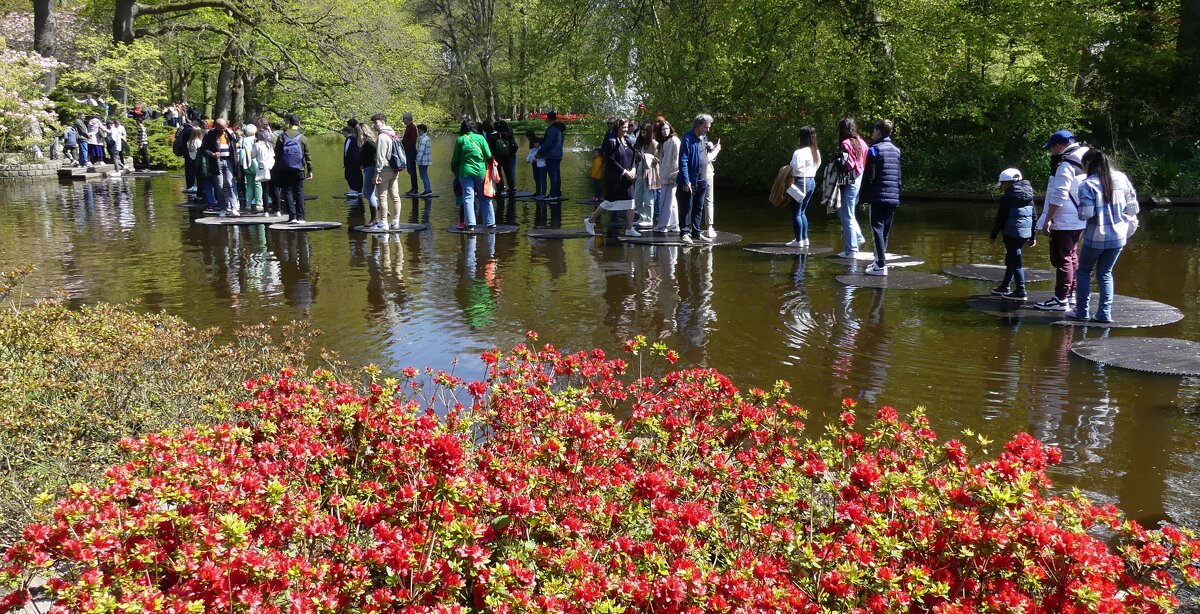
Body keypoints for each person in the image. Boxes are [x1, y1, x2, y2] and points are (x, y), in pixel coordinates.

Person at [1072, 149, 1139, 322]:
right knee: (1105, 274)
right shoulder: (1121, 178)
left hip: (1095, 237)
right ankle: (1104, 313)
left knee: (1084, 271)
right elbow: (1134, 209)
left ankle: (1081, 312)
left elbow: (1085, 214)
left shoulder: (1087, 185)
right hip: (1118, 236)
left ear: (1087, 165)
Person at [1033, 130, 1090, 311]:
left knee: (1063, 259)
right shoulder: (1086, 159)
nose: (1050, 152)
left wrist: (1048, 219)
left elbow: (1059, 195)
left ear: (1058, 146)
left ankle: (1060, 299)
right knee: (1073, 257)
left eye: (1051, 148)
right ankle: (1071, 295)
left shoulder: (1066, 164)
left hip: (1065, 220)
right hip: (1081, 218)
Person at [583, 118, 639, 236]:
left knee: (631, 202)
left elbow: (633, 156)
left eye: (626, 127)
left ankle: (629, 228)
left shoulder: (628, 139)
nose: (625, 130)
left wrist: (633, 169)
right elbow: (611, 160)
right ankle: (590, 220)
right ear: (617, 127)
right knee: (609, 202)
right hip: (615, 177)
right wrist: (624, 171)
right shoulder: (611, 141)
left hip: (629, 177)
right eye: (622, 127)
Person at [861, 119, 901, 276]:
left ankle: (879, 264)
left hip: (878, 196)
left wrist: (863, 195)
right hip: (893, 196)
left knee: (876, 228)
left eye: (873, 131)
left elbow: (869, 176)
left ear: (878, 132)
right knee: (885, 230)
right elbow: (898, 177)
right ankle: (880, 260)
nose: (872, 133)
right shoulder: (897, 151)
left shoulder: (874, 149)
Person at [989, 168, 1037, 300]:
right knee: (1011, 258)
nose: (1002, 187)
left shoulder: (1008, 197)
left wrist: (993, 235)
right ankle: (1005, 286)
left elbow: (1001, 218)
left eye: (1003, 184)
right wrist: (1033, 236)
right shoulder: (1029, 193)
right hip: (1024, 233)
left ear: (1009, 183)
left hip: (1011, 234)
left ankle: (1021, 291)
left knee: (1016, 262)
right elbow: (1033, 216)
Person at [450, 118, 494, 229]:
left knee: (468, 197)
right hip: (480, 171)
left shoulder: (460, 140)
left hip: (465, 171)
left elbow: (455, 159)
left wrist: (453, 169)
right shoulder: (481, 138)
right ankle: (490, 222)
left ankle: (470, 223)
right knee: (484, 197)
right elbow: (489, 155)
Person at [835, 117, 869, 258]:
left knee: (846, 214)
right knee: (848, 212)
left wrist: (837, 160)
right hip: (859, 179)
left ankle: (851, 250)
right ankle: (858, 238)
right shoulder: (862, 142)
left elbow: (847, 165)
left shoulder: (845, 143)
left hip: (850, 181)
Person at [677, 113, 713, 243]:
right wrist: (686, 180)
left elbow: (704, 152)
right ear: (698, 126)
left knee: (698, 206)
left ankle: (696, 232)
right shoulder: (687, 139)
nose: (708, 129)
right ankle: (684, 233)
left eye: (708, 127)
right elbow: (683, 160)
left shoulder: (703, 138)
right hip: (689, 180)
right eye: (705, 127)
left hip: (702, 179)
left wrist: (711, 147)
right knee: (686, 207)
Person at [273, 114, 313, 223]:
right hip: (299, 169)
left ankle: (292, 217)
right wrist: (310, 170)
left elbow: (277, 154)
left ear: (289, 124)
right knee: (299, 192)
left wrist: (277, 169)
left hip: (285, 169)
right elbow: (307, 156)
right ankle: (301, 217)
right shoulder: (303, 138)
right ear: (298, 124)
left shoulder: (282, 136)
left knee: (287, 191)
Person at [786, 126, 821, 247]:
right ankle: (805, 239)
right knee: (803, 211)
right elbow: (817, 166)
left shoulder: (799, 152)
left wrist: (790, 164)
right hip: (811, 182)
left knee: (796, 212)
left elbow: (795, 167)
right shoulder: (815, 151)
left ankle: (798, 240)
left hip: (800, 182)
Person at [201, 118, 240, 215]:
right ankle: (223, 208)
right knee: (219, 185)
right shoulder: (209, 134)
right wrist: (212, 154)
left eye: (224, 127)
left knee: (231, 184)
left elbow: (235, 145)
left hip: (229, 161)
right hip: (216, 162)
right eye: (221, 128)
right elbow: (203, 149)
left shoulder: (229, 133)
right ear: (216, 126)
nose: (223, 129)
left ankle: (234, 207)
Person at [371, 113, 403, 230]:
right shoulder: (393, 133)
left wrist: (376, 173)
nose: (373, 125)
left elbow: (380, 157)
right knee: (395, 196)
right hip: (395, 168)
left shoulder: (382, 136)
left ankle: (383, 222)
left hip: (384, 169)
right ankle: (396, 221)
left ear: (382, 122)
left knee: (382, 197)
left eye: (376, 122)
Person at [654, 117, 680, 233]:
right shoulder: (663, 143)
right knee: (671, 201)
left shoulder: (674, 140)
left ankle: (664, 225)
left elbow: (677, 159)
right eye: (663, 129)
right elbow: (662, 159)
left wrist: (673, 175)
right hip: (664, 175)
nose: (665, 131)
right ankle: (674, 225)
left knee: (666, 200)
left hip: (672, 175)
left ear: (670, 129)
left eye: (666, 129)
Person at [633, 120, 659, 227]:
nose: (642, 134)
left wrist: (647, 157)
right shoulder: (640, 142)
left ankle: (649, 219)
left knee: (648, 197)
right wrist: (638, 156)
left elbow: (658, 158)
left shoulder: (654, 143)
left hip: (650, 171)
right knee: (637, 195)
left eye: (645, 132)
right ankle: (641, 217)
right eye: (641, 132)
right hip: (640, 169)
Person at [238, 124, 266, 212]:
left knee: (249, 185)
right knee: (258, 184)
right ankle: (259, 204)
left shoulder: (243, 140)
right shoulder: (256, 139)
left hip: (247, 164)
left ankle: (248, 204)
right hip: (257, 163)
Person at [536, 112, 564, 199]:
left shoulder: (552, 129)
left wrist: (539, 152)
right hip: (558, 154)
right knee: (557, 174)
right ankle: (557, 193)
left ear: (548, 118)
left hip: (551, 155)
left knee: (553, 175)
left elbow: (548, 143)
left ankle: (553, 194)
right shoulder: (560, 128)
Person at [357, 123, 380, 224]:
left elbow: (378, 152)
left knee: (369, 194)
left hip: (371, 168)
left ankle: (375, 218)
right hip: (367, 168)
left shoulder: (369, 142)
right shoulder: (365, 143)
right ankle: (381, 208)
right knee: (367, 193)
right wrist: (362, 163)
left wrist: (376, 169)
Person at [701, 130, 722, 238]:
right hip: (704, 174)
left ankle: (709, 227)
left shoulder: (696, 141)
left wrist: (712, 149)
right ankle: (707, 228)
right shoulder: (698, 142)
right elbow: (706, 159)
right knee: (706, 201)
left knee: (707, 201)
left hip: (706, 174)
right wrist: (716, 150)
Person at [491, 120, 519, 197]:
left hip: (497, 157)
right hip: (507, 156)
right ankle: (512, 189)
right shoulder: (508, 135)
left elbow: (491, 148)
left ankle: (500, 189)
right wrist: (510, 154)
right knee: (508, 172)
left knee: (498, 173)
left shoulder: (493, 136)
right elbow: (514, 146)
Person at [343, 119, 363, 198]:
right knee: (358, 175)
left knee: (349, 175)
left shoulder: (350, 138)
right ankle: (358, 190)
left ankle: (353, 189)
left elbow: (346, 151)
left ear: (350, 126)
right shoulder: (360, 136)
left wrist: (345, 162)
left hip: (351, 161)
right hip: (359, 160)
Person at [402, 112, 420, 196]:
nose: (403, 120)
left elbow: (412, 141)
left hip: (411, 152)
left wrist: (405, 147)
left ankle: (415, 189)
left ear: (407, 119)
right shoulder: (409, 127)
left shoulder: (412, 128)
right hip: (408, 151)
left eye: (403, 118)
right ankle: (414, 188)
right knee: (410, 170)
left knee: (412, 171)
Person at [526, 130, 546, 198]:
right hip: (535, 163)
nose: (534, 145)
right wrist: (528, 159)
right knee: (536, 178)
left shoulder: (540, 148)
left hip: (539, 164)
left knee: (538, 178)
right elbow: (531, 152)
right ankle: (538, 192)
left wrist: (532, 159)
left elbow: (536, 155)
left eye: (535, 144)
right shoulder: (535, 146)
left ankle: (539, 192)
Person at [416, 124, 432, 195]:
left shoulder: (423, 139)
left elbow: (421, 151)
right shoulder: (427, 138)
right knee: (424, 175)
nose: (418, 131)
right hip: (426, 160)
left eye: (418, 130)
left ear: (422, 130)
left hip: (423, 161)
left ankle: (428, 190)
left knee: (423, 175)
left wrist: (417, 160)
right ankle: (427, 189)